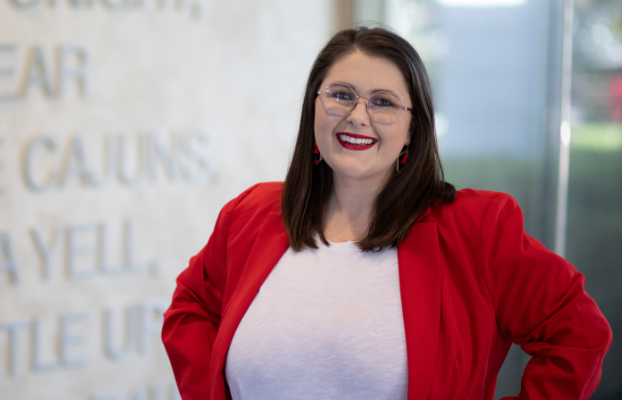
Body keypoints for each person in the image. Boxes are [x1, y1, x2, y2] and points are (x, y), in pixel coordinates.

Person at [161, 27, 613, 400]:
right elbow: (190, 307)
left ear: (414, 128)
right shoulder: (251, 214)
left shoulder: (476, 229)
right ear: (313, 110)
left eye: (383, 102)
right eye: (341, 95)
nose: (358, 116)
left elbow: (577, 334)